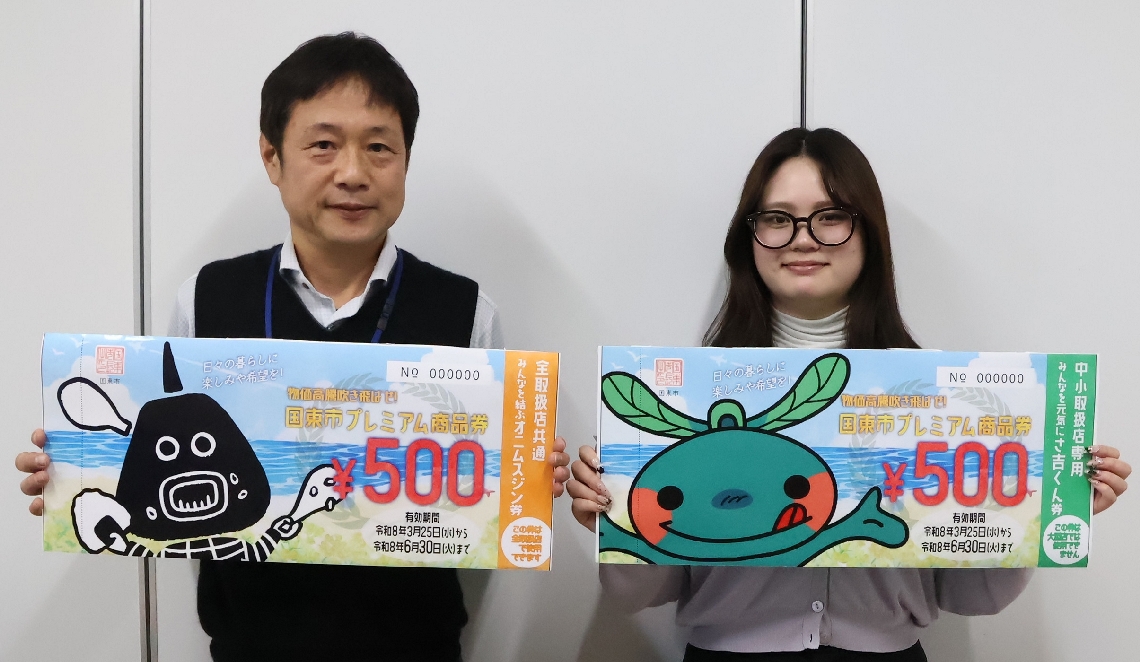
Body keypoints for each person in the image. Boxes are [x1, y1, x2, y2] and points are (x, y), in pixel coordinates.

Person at [17, 32, 570, 662]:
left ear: (406, 161)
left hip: (417, 648)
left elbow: (486, 493)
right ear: (272, 157)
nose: (353, 173)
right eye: (323, 145)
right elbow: (159, 461)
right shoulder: (208, 299)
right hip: (248, 648)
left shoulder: (466, 312)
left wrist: (526, 475)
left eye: (379, 147)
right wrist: (77, 469)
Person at [567, 127, 1131, 662]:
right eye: (777, 218)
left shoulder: (942, 394)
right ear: (749, 237)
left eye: (831, 216)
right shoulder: (681, 396)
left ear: (869, 233)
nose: (802, 238)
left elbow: (973, 596)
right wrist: (613, 516)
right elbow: (640, 591)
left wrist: (1036, 507)